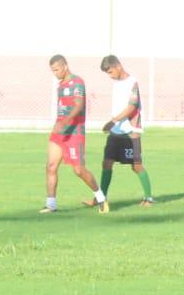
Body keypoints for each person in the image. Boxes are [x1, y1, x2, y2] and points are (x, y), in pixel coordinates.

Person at [41, 54, 108, 214]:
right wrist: (60, 124)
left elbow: (78, 106)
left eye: (57, 69)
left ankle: (101, 198)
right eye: (52, 70)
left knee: (78, 170)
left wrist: (66, 121)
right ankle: (51, 204)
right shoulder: (60, 85)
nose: (55, 73)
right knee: (51, 167)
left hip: (74, 132)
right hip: (59, 132)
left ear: (65, 66)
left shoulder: (77, 82)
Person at [97, 54, 155, 207]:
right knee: (107, 163)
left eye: (110, 72)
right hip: (116, 131)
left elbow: (132, 107)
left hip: (130, 131)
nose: (109, 76)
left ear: (118, 66)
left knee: (136, 166)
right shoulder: (116, 84)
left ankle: (148, 198)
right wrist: (113, 123)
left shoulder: (132, 82)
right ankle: (101, 199)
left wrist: (113, 120)